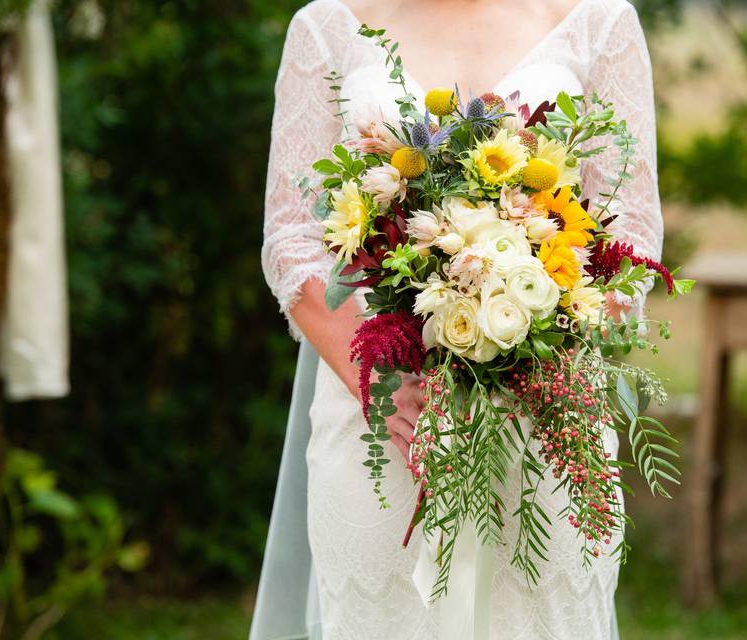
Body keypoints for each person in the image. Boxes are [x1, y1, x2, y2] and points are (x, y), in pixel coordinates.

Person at [252, 0, 664, 638]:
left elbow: (632, 234)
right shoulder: (326, 27)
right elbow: (291, 236)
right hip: (382, 432)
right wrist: (377, 381)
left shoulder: (599, 21)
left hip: (547, 424)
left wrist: (527, 350)